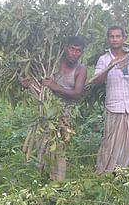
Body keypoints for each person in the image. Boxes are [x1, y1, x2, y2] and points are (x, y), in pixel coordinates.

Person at [21, 36, 87, 181]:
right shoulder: (53, 63)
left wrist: (55, 87)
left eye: (78, 51)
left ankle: (58, 183)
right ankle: (43, 180)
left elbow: (77, 94)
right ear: (65, 48)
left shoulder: (80, 70)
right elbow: (39, 81)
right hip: (44, 113)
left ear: (82, 53)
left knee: (58, 150)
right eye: (71, 49)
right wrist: (27, 83)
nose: (73, 53)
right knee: (42, 147)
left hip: (64, 115)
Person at [89, 26, 129, 174]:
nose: (115, 39)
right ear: (108, 39)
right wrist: (109, 68)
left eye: (118, 36)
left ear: (123, 38)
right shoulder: (104, 59)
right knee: (110, 140)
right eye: (112, 36)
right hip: (114, 105)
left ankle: (122, 172)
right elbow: (96, 81)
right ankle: (104, 170)